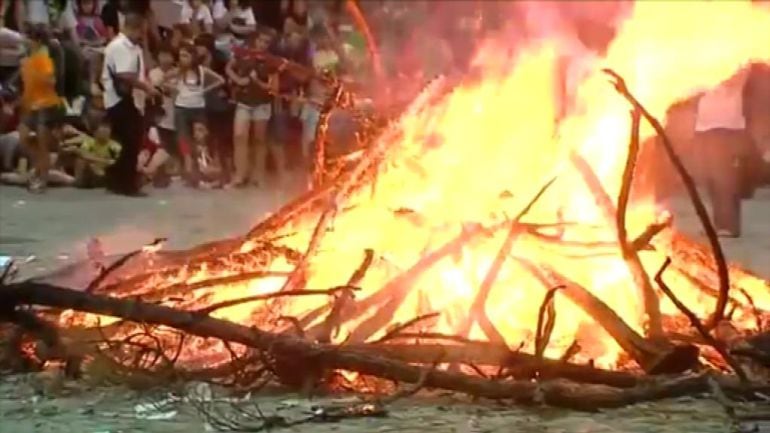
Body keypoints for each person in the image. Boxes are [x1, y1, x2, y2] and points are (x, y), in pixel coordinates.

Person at [101, 12, 158, 196]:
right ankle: (126, 184)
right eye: (141, 32)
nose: (142, 36)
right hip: (120, 100)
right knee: (131, 142)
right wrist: (147, 87)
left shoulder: (134, 47)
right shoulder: (119, 46)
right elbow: (124, 74)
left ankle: (116, 180)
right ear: (132, 28)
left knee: (126, 142)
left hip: (132, 99)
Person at [695, 68, 757, 238]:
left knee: (724, 179)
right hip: (705, 126)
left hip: (725, 128)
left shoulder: (735, 61)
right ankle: (718, 224)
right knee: (712, 179)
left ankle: (728, 226)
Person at [226, 29, 281, 188]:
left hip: (262, 104)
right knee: (239, 136)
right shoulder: (243, 54)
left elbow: (274, 88)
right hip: (244, 102)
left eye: (266, 42)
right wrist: (239, 80)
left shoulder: (271, 61)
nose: (262, 44)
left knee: (259, 140)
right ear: (255, 40)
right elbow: (229, 68)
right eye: (260, 40)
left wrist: (257, 82)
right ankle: (240, 174)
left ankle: (258, 175)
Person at [166, 41, 224, 187]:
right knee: (184, 139)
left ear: (192, 56)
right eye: (180, 56)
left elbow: (220, 80)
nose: (182, 59)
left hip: (198, 108)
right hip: (182, 108)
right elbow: (162, 80)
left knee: (200, 139)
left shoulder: (202, 70)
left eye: (185, 55)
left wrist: (205, 90)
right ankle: (189, 169)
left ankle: (203, 170)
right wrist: (174, 88)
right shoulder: (178, 71)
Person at [19, 24, 64, 193]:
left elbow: (51, 81)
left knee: (43, 143)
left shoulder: (44, 56)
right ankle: (38, 167)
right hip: (30, 104)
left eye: (28, 38)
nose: (25, 41)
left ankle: (42, 178)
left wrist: (36, 72)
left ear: (36, 40)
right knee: (24, 138)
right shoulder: (28, 56)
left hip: (46, 104)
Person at [64, 119, 121, 188]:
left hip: (106, 173)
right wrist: (104, 161)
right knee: (80, 160)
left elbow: (118, 162)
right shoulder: (89, 142)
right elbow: (83, 155)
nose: (105, 134)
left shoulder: (114, 146)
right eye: (102, 131)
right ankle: (79, 181)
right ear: (95, 133)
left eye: (106, 131)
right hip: (92, 170)